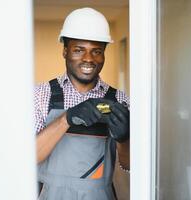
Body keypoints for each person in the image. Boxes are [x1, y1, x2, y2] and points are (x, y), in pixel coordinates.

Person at [34, 7, 130, 200]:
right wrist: (66, 119)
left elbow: (129, 165)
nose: (88, 59)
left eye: (97, 51)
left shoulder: (121, 100)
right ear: (65, 51)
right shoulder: (40, 95)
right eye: (79, 50)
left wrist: (124, 139)